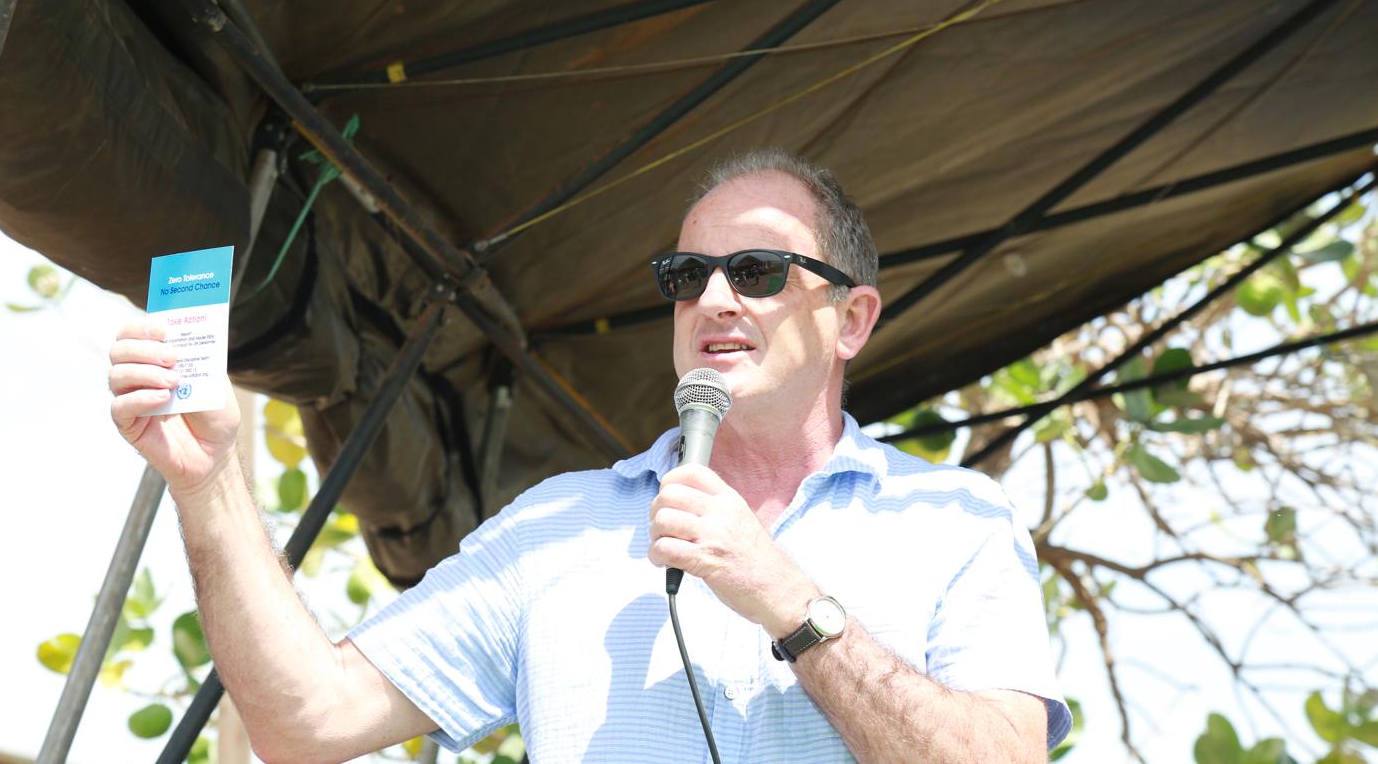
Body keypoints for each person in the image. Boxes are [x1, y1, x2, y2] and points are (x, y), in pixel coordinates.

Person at [109, 149, 1070, 763]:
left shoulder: (955, 522)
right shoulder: (556, 527)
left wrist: (790, 601)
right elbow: (306, 717)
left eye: (758, 270)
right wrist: (209, 484)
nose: (715, 299)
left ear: (852, 318)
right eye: (688, 275)